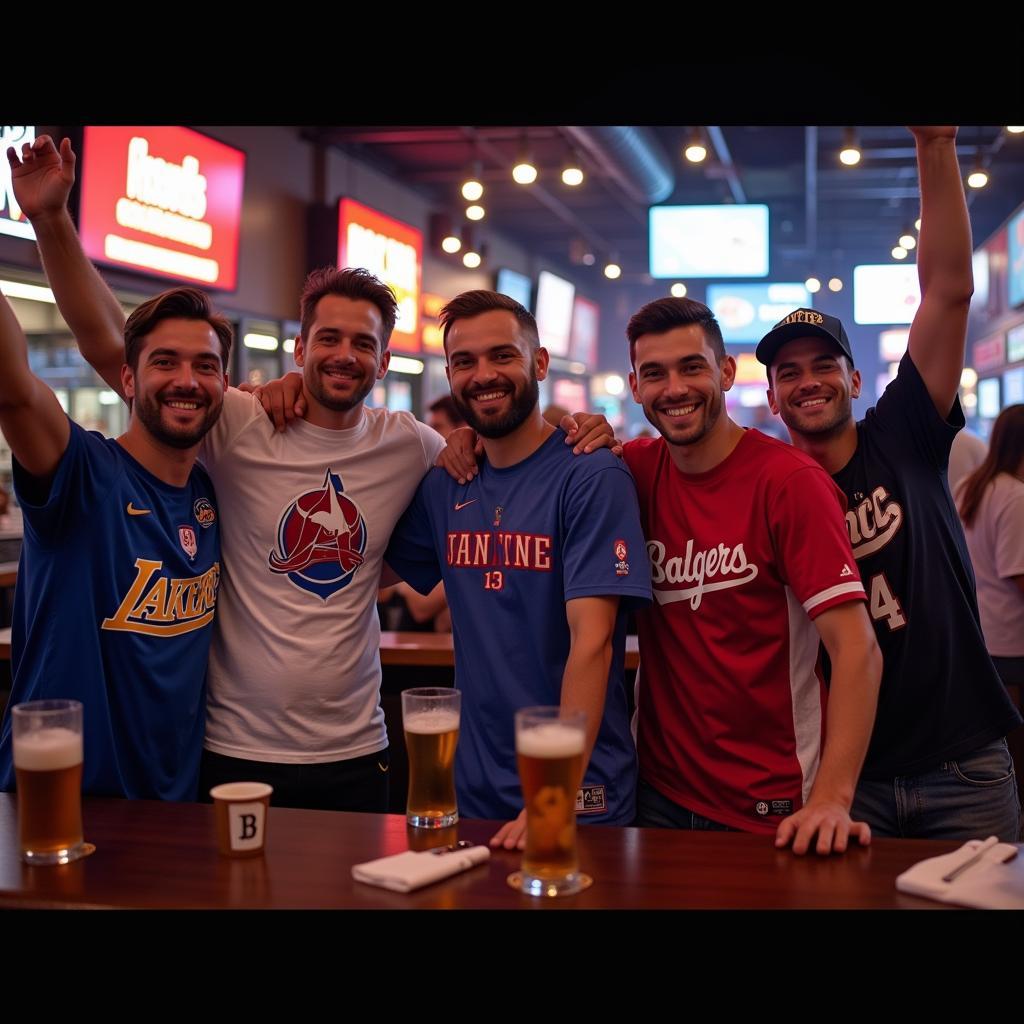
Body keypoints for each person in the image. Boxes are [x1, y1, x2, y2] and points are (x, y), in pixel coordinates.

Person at [759, 125, 1022, 842]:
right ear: (773, 396)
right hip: (841, 777)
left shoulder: (903, 430)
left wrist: (934, 143)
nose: (807, 381)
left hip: (963, 763)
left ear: (853, 377)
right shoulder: (767, 485)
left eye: (822, 365)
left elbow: (949, 289)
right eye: (789, 372)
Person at [385, 290, 651, 847]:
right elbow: (361, 573)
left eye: (502, 355)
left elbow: (594, 645)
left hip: (576, 787)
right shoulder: (445, 484)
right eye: (465, 361)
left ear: (540, 362)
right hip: (473, 787)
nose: (484, 375)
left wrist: (554, 792)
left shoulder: (590, 476)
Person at [621, 295, 881, 855]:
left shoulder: (789, 483)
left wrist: (833, 799)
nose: (674, 388)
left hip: (775, 801)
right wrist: (469, 440)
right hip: (656, 791)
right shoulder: (631, 472)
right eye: (654, 374)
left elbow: (858, 649)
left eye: (692, 367)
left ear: (726, 372)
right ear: (635, 386)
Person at [0, 280, 229, 799]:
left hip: (175, 809)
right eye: (164, 362)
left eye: (205, 366)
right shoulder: (86, 473)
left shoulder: (209, 492)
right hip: (62, 804)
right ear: (128, 378)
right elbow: (14, 390)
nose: (186, 381)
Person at [956, 403, 1024, 817]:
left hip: (981, 636)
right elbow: (1018, 574)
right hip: (1013, 647)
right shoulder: (1015, 497)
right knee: (1016, 759)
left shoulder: (969, 485)